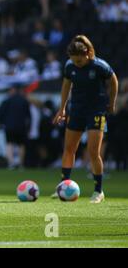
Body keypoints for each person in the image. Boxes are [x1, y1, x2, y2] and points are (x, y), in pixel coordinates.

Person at [52, 35, 118, 204]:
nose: (76, 64)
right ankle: (62, 186)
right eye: (74, 61)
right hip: (77, 111)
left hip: (96, 111)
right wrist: (62, 108)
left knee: (93, 152)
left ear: (87, 54)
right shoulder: (69, 66)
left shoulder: (99, 66)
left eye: (79, 61)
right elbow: (66, 86)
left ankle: (98, 191)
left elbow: (114, 80)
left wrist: (111, 102)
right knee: (68, 149)